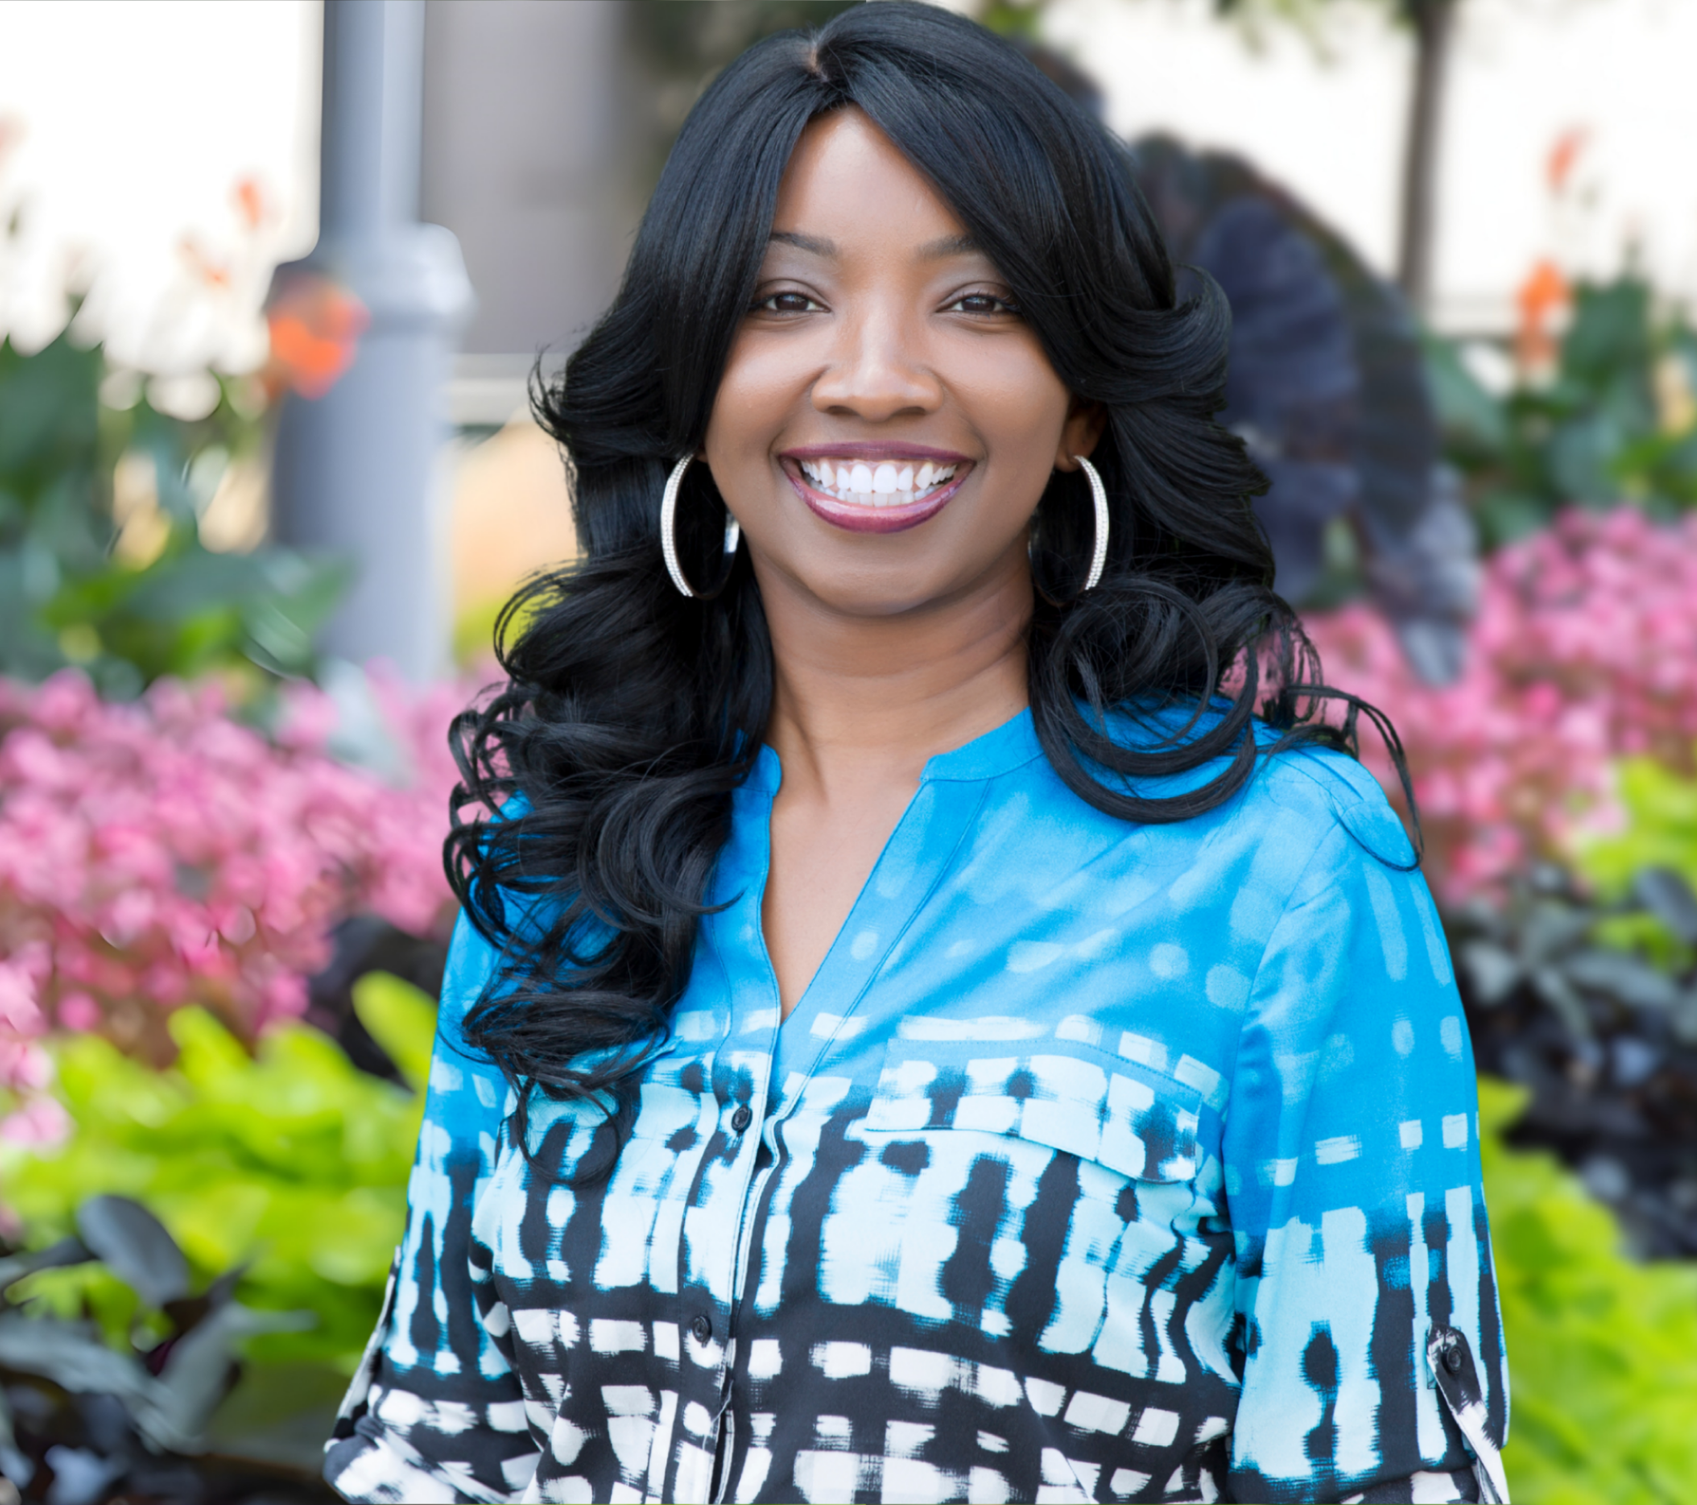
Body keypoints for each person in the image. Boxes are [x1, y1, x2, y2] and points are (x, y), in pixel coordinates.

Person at [325, 6, 1504, 1501]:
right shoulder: (566, 851)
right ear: (694, 377)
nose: (873, 377)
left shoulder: (1272, 867)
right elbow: (437, 1445)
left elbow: (1381, 1472)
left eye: (979, 304)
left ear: (1081, 401)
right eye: (784, 300)